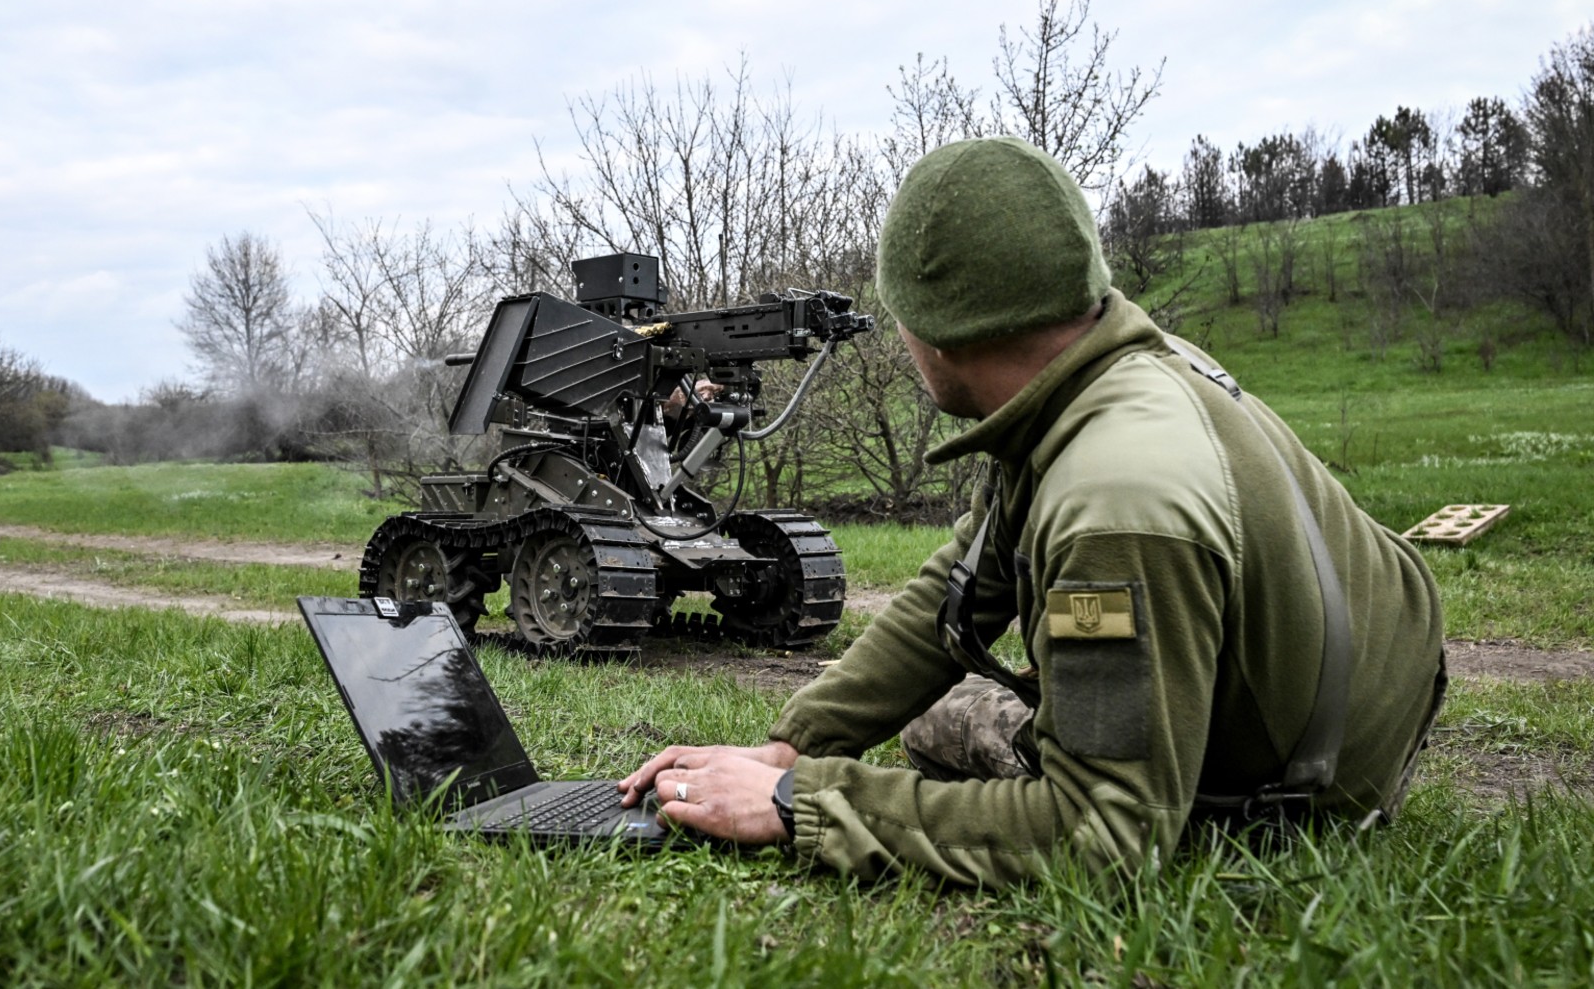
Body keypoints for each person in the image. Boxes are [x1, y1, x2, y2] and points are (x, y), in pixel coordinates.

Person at [618, 136, 1447, 887]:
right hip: (1375, 680)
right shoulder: (1094, 381)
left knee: (949, 733)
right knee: (940, 722)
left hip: (1320, 780)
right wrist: (796, 742)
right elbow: (953, 594)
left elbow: (1102, 830)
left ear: (939, 335)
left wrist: (801, 799)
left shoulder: (1114, 500)